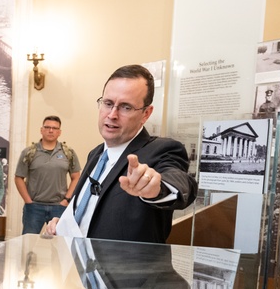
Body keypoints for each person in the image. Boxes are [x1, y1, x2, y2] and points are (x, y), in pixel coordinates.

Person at [44, 64, 198, 243]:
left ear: (146, 114)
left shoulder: (163, 150)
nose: (112, 114)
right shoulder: (96, 154)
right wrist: (62, 224)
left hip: (126, 269)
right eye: (108, 104)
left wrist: (157, 188)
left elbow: (181, 183)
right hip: (80, 266)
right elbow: (89, 213)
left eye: (125, 107)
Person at [14, 115, 80, 234]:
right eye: (47, 127)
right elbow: (18, 178)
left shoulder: (68, 152)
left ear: (59, 132)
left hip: (59, 207)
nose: (51, 130)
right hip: (34, 208)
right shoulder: (29, 152)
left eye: (54, 128)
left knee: (59, 246)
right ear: (41, 130)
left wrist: (66, 200)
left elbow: (76, 177)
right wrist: (28, 201)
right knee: (29, 246)